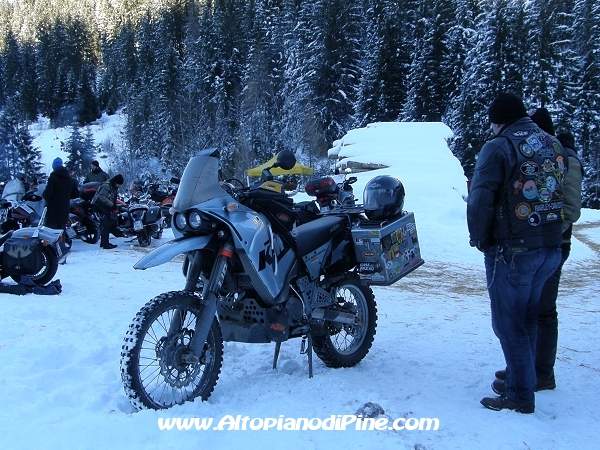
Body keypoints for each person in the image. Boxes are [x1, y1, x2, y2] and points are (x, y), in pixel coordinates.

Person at [467, 93, 564, 414]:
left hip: (513, 249)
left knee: (509, 324)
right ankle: (522, 375)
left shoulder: (497, 147)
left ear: (498, 121)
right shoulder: (551, 143)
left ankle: (520, 394)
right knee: (528, 318)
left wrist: (480, 238)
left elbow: (480, 198)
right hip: (551, 246)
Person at [492, 110, 584, 395]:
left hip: (554, 243)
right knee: (529, 310)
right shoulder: (548, 155)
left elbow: (570, 209)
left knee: (542, 310)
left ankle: (541, 373)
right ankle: (525, 368)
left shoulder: (564, 159)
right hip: (542, 242)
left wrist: (547, 227)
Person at [42, 157, 79, 229]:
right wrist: (66, 196)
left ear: (54, 166)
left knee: (50, 235)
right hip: (64, 211)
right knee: (61, 233)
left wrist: (44, 196)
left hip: (52, 212)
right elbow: (76, 194)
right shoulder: (70, 179)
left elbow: (47, 194)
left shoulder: (53, 178)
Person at [92, 174, 123, 249]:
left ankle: (103, 242)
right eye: (119, 184)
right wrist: (112, 205)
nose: (119, 186)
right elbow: (102, 197)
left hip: (105, 206)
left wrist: (114, 206)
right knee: (105, 224)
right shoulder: (106, 186)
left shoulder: (113, 187)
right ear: (116, 182)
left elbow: (113, 198)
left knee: (106, 224)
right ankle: (105, 244)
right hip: (100, 206)